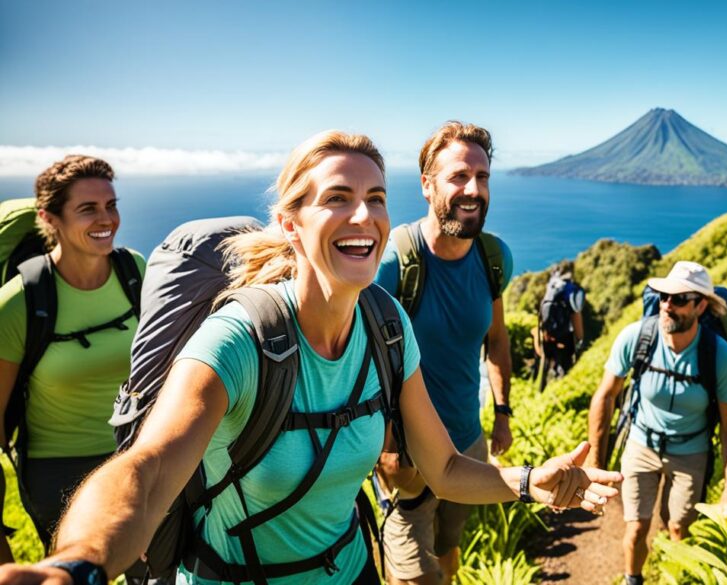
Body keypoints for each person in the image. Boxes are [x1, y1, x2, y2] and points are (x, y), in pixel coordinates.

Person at [0, 131, 620, 585]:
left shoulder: (386, 324)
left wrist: (531, 483)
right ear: (290, 223)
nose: (364, 216)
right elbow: (150, 469)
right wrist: (75, 564)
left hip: (352, 572)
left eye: (376, 198)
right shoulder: (239, 337)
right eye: (338, 198)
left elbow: (446, 468)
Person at [373, 121, 515, 585]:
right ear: (426, 184)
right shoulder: (392, 265)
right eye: (458, 176)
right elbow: (362, 359)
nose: (473, 189)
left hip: (468, 442)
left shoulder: (494, 258)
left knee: (450, 549)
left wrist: (502, 413)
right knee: (413, 576)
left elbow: (496, 340)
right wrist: (388, 447)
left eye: (483, 176)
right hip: (408, 456)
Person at [0, 156, 145, 558]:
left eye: (111, 205)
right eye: (88, 209)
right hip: (56, 472)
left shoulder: (134, 271)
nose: (106, 219)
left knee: (154, 572)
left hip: (134, 455)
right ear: (50, 219)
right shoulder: (20, 303)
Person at [585, 261, 727, 585]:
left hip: (692, 451)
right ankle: (633, 579)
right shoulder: (637, 337)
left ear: (701, 306)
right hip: (641, 444)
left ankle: (673, 575)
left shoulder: (720, 356)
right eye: (662, 296)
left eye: (679, 298)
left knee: (677, 528)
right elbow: (604, 397)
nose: (667, 305)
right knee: (635, 527)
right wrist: (595, 465)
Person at [533, 264, 585, 389]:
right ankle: (561, 394)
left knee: (546, 367)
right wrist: (580, 341)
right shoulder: (570, 290)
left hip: (547, 336)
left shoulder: (551, 287)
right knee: (563, 372)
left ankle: (540, 391)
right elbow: (576, 317)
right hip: (564, 339)